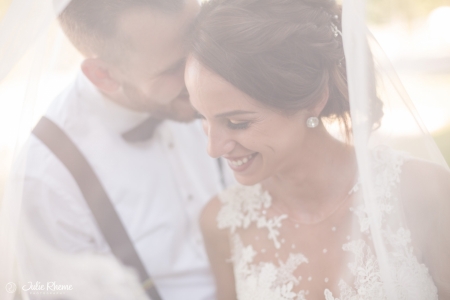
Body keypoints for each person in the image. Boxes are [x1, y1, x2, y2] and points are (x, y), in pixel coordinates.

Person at [185, 0, 450, 299]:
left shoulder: (425, 192)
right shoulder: (223, 223)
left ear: (313, 100)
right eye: (202, 118)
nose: (213, 148)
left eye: (237, 122)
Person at [19, 0, 232, 299]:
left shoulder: (218, 79)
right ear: (103, 75)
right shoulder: (47, 181)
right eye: (174, 68)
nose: (202, 72)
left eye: (200, 42)